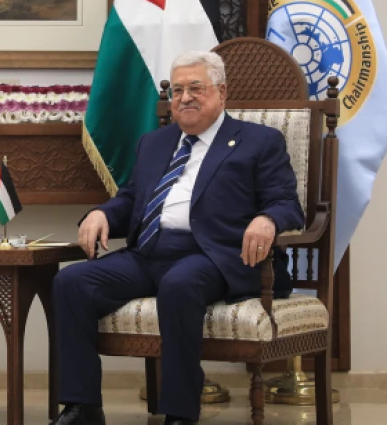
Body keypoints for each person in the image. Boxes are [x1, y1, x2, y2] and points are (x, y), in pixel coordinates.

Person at [50, 51, 304, 425]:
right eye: (178, 90)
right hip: (149, 251)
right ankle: (82, 406)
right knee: (71, 281)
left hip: (215, 256)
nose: (185, 97)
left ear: (222, 92)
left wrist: (267, 220)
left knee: (180, 283)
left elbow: (286, 203)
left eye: (196, 88)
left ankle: (180, 413)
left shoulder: (259, 141)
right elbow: (131, 199)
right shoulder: (154, 143)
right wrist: (101, 213)